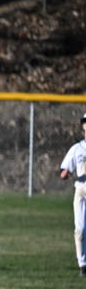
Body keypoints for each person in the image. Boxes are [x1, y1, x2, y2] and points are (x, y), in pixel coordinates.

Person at [59, 112, 86, 277]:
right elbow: (65, 169)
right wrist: (65, 173)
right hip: (81, 189)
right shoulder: (77, 149)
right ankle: (83, 265)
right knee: (80, 229)